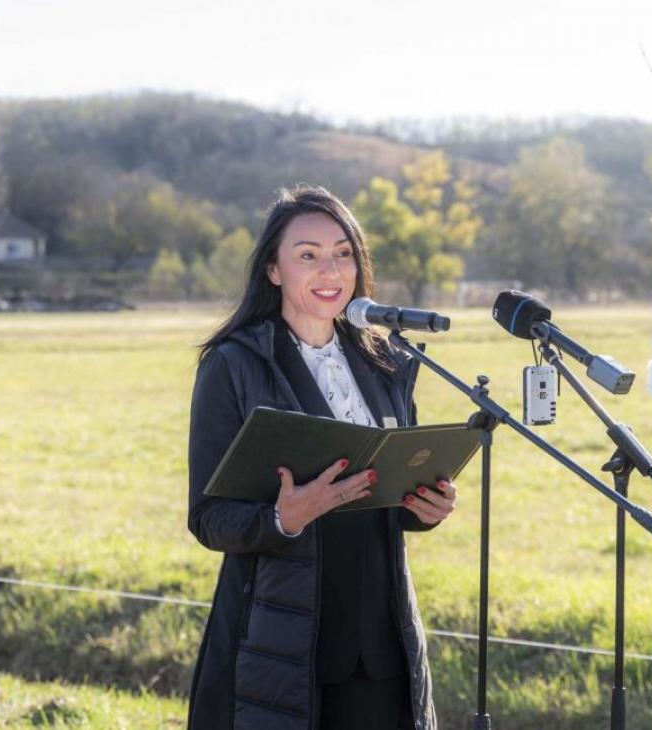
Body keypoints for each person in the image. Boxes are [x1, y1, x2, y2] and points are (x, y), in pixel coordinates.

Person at [186, 185, 457, 730]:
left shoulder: (387, 362)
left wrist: (423, 507)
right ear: (274, 270)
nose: (329, 269)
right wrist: (285, 517)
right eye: (307, 254)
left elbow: (389, 492)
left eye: (343, 252)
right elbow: (209, 518)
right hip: (283, 646)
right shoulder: (233, 366)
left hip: (382, 643)